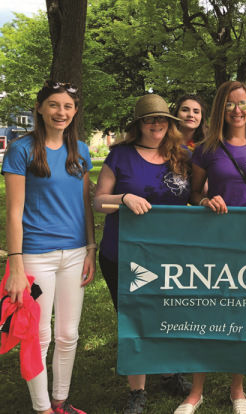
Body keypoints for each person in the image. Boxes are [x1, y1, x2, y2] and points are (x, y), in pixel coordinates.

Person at [180, 81, 246, 414]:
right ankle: (196, 392)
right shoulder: (207, 148)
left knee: (244, 314)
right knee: (207, 312)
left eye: (243, 104)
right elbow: (193, 195)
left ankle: (238, 390)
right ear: (220, 110)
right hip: (214, 241)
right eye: (229, 105)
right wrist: (206, 199)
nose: (237, 111)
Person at [93, 94, 193, 414]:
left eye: (162, 118)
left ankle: (167, 371)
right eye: (150, 119)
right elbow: (99, 202)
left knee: (167, 313)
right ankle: (137, 391)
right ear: (139, 124)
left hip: (168, 255)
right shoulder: (120, 155)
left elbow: (200, 195)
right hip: (123, 253)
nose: (157, 124)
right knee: (133, 318)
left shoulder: (183, 156)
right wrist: (123, 198)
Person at [2, 80, 96, 414]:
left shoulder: (81, 151)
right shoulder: (21, 150)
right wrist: (14, 267)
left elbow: (85, 203)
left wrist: (91, 249)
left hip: (74, 256)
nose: (61, 112)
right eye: (54, 105)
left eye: (68, 106)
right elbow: (13, 213)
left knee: (68, 334)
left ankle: (60, 401)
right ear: (40, 108)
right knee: (38, 337)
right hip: (35, 256)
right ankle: (42, 408)